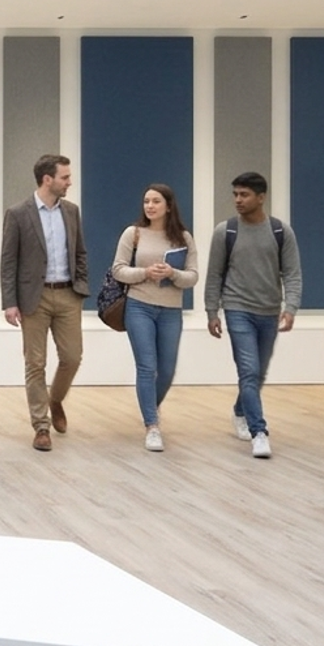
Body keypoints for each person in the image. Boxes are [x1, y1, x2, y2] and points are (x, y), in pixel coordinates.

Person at [204, 172, 302, 460]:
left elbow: (292, 273)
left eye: (244, 195)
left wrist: (291, 308)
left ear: (261, 197)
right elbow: (214, 274)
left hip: (269, 310)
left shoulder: (281, 232)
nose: (238, 200)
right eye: (235, 194)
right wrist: (212, 311)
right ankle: (259, 432)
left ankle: (240, 410)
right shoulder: (226, 231)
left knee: (258, 372)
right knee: (248, 370)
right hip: (237, 309)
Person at [0, 154, 89, 452]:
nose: (69, 182)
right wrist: (10, 302)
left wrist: (81, 285)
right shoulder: (18, 213)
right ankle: (41, 426)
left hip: (68, 294)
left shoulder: (71, 212)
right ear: (47, 179)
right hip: (33, 298)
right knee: (35, 363)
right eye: (65, 177)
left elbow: (80, 253)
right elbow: (8, 261)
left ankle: (55, 400)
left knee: (72, 357)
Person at [110, 184, 198, 452]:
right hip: (139, 306)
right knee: (147, 367)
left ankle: (151, 406)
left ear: (168, 206)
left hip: (171, 310)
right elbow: (118, 270)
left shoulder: (183, 238)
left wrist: (172, 273)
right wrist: (145, 272)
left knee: (167, 370)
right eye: (146, 201)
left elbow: (192, 276)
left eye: (156, 201)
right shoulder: (133, 233)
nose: (150, 206)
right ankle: (152, 425)